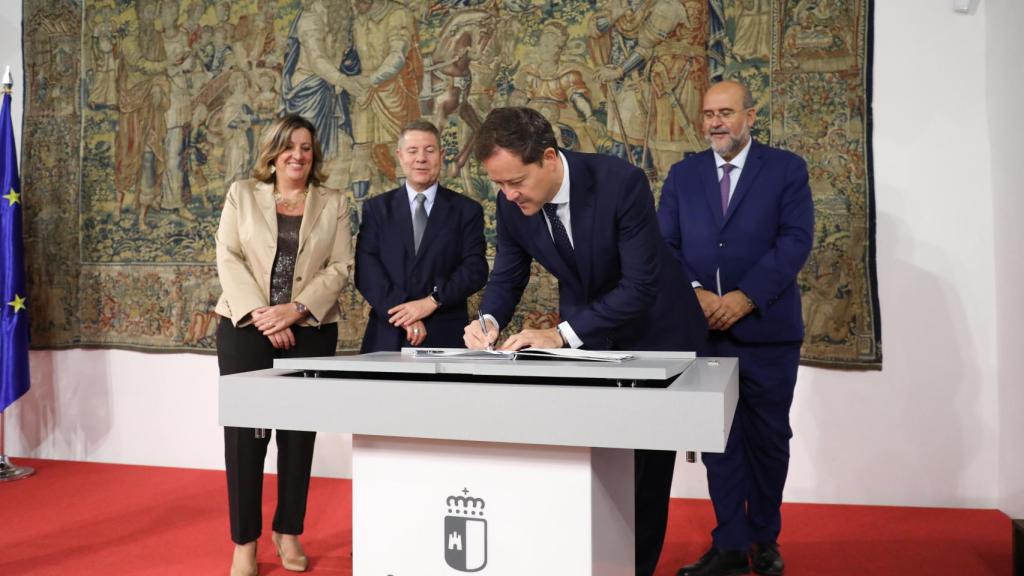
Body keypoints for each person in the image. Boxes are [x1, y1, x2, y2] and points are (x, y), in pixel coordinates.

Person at [462, 107, 707, 576]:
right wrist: (489, 319)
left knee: (642, 475)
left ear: (549, 158)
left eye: (515, 181)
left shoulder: (621, 183)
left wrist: (560, 334)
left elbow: (640, 286)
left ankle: (634, 569)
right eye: (499, 185)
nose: (508, 195)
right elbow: (508, 274)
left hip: (655, 333)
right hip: (589, 336)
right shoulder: (511, 201)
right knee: (587, 462)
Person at [657, 80, 814, 576]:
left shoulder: (786, 170)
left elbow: (795, 241)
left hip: (768, 331)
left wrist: (746, 298)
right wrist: (699, 294)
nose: (715, 122)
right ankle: (728, 544)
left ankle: (765, 540)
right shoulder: (683, 176)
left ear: (750, 116)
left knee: (769, 440)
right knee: (717, 443)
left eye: (725, 112)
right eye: (708, 114)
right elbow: (666, 246)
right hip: (705, 333)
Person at [215, 114, 354, 576]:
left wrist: (294, 309)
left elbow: (339, 267)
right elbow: (228, 256)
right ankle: (245, 542)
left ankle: (289, 531)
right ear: (273, 152)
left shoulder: (334, 202)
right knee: (246, 438)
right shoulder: (242, 195)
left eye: (307, 148)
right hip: (244, 325)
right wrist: (262, 313)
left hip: (310, 327)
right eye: (290, 146)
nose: (299, 154)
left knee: (298, 436)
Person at [355, 120, 487, 351]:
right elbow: (366, 271)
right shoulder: (376, 209)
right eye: (412, 151)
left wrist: (431, 302)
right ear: (400, 156)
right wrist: (406, 314)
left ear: (441, 154)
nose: (421, 159)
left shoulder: (466, 210)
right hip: (387, 334)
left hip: (446, 334)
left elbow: (475, 269)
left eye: (429, 150)